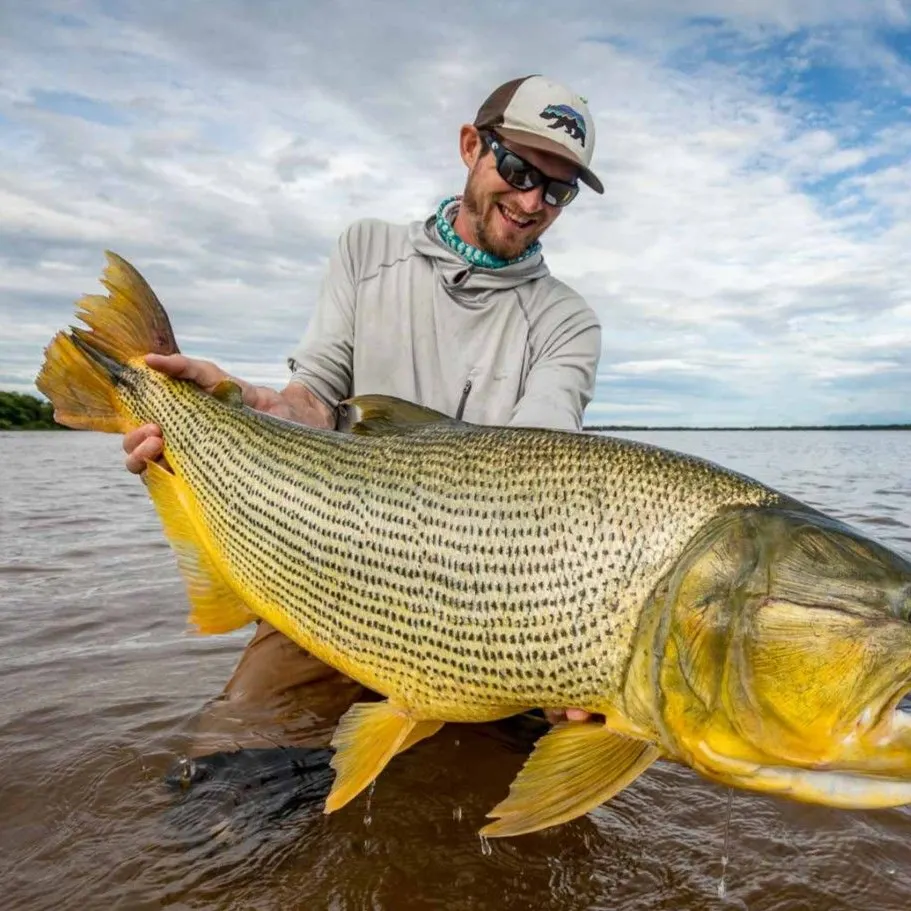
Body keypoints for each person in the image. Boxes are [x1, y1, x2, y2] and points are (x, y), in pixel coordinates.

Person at [128, 75, 604, 771]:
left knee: (523, 834)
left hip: (492, 608)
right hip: (335, 571)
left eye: (557, 190)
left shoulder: (568, 322)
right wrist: (240, 405)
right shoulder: (367, 251)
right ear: (471, 146)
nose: (532, 201)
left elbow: (540, 461)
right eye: (517, 169)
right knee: (223, 789)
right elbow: (314, 397)